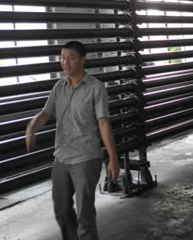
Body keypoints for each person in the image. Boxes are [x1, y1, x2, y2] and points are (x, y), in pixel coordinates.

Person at [25, 41, 120, 240]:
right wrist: (32, 127)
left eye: (70, 58)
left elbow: (103, 123)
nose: (65, 62)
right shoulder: (59, 86)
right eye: (62, 58)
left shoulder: (95, 88)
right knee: (62, 210)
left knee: (85, 215)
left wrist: (113, 158)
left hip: (86, 157)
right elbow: (46, 113)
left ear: (83, 60)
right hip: (61, 156)